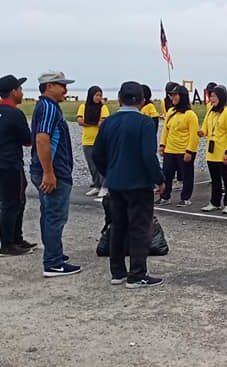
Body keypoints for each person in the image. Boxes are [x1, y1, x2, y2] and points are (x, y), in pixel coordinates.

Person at [93, 81, 165, 288]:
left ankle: (117, 272)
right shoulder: (145, 123)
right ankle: (137, 274)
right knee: (140, 228)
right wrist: (158, 178)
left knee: (118, 226)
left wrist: (109, 171)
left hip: (115, 182)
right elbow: (148, 155)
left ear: (119, 98)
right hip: (139, 184)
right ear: (142, 100)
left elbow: (97, 154)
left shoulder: (108, 122)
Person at [30, 70, 80, 277]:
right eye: (62, 85)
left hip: (43, 169)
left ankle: (53, 252)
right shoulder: (49, 108)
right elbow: (42, 139)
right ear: (49, 86)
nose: (65, 90)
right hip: (53, 171)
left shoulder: (43, 106)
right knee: (55, 216)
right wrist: (49, 172)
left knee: (48, 213)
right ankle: (53, 263)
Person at [0, 74, 36, 256]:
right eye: (20, 89)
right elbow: (27, 141)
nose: (22, 93)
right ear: (13, 91)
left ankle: (16, 238)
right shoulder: (15, 113)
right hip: (10, 164)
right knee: (12, 203)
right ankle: (7, 244)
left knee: (14, 201)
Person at [156, 84, 199, 206]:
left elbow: (194, 135)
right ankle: (165, 197)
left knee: (187, 175)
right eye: (171, 95)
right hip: (170, 150)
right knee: (166, 174)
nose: (172, 97)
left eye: (175, 95)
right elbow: (166, 130)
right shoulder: (171, 112)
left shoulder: (190, 115)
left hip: (183, 151)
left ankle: (185, 198)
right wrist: (162, 145)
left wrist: (190, 151)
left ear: (182, 96)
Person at [199, 84, 227, 213]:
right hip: (212, 151)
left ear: (221, 97)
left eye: (215, 96)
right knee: (215, 179)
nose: (212, 99)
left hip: (223, 151)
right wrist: (202, 132)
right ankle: (214, 202)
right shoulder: (211, 110)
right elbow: (206, 126)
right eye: (211, 96)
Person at [77, 86, 110, 198]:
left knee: (101, 164)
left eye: (100, 95)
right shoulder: (83, 107)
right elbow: (79, 121)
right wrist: (94, 122)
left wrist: (88, 122)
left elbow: (102, 123)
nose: (98, 97)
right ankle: (97, 185)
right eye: (96, 95)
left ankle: (104, 186)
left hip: (100, 140)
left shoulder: (103, 108)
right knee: (91, 165)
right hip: (87, 140)